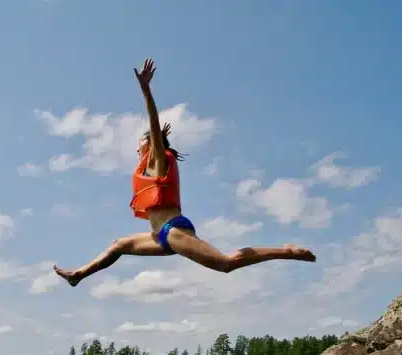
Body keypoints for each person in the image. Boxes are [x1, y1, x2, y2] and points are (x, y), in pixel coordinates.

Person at [54, 58, 316, 287]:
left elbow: (153, 125)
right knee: (119, 245)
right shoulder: (151, 161)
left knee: (226, 263)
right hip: (158, 236)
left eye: (140, 142)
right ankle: (77, 275)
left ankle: (286, 251)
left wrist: (146, 91)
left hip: (173, 231)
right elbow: (155, 136)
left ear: (150, 144)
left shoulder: (157, 158)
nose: (136, 147)